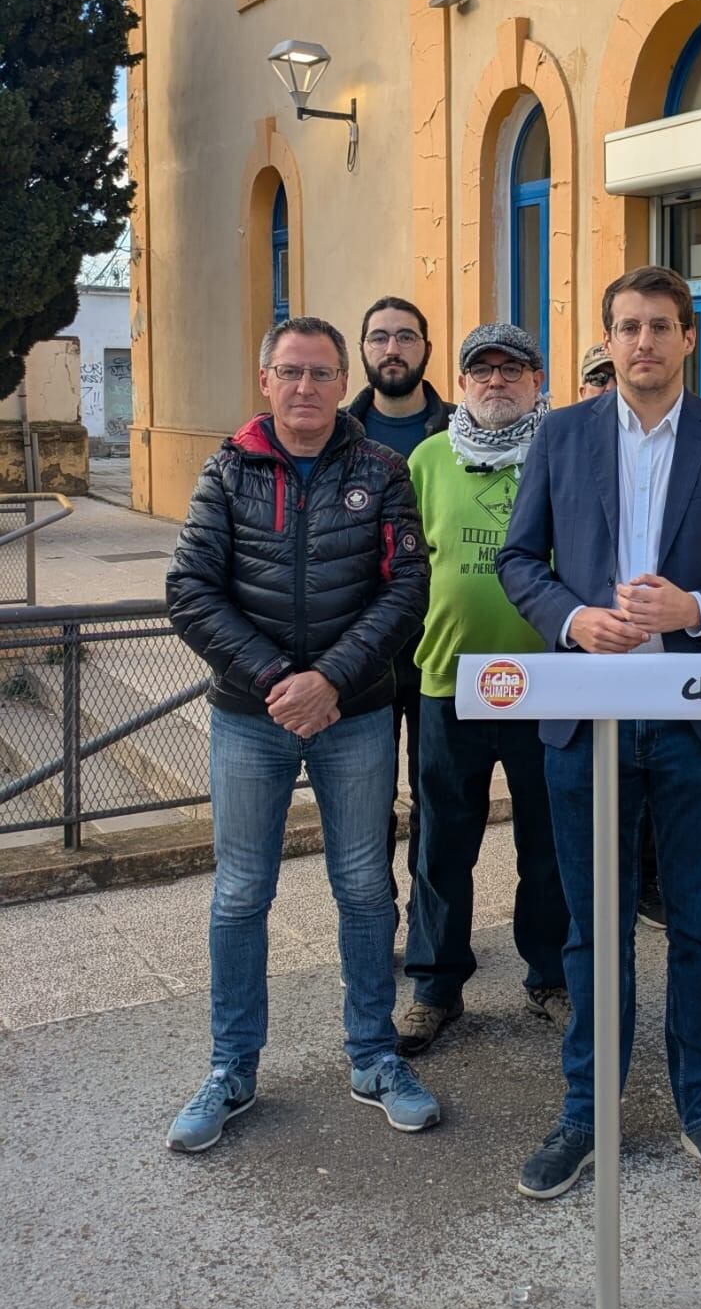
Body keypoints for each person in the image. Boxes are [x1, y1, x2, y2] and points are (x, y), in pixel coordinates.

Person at [498, 265, 701, 1202]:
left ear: (686, 341)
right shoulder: (559, 435)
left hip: (697, 719)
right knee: (594, 929)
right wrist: (571, 618)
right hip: (588, 715)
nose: (643, 343)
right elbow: (518, 559)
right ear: (607, 337)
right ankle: (587, 1113)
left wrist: (696, 603)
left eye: (661, 327)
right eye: (627, 326)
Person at [163, 315, 438, 1150]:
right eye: (292, 372)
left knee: (363, 887)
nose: (307, 388)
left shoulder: (381, 469)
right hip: (252, 720)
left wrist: (332, 681)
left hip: (352, 717)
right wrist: (282, 683)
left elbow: (407, 589)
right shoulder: (226, 470)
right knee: (241, 893)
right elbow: (189, 590)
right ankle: (231, 1069)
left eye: (321, 373)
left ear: (337, 379)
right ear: (266, 381)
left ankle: (373, 1053)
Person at [395, 324, 570, 1058]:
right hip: (448, 683)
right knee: (442, 843)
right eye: (481, 370)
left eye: (512, 369)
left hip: (548, 685)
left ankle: (550, 976)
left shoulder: (565, 456)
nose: (496, 381)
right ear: (461, 383)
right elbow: (402, 567)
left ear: (538, 381)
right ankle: (435, 986)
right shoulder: (428, 459)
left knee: (549, 843)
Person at [346, 296, 450, 900]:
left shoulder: (464, 432)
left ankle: (430, 932)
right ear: (363, 350)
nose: (393, 349)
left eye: (406, 337)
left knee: (437, 795)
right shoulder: (338, 436)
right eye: (380, 337)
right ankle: (373, 917)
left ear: (426, 351)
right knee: (368, 798)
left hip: (441, 646)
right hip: (364, 648)